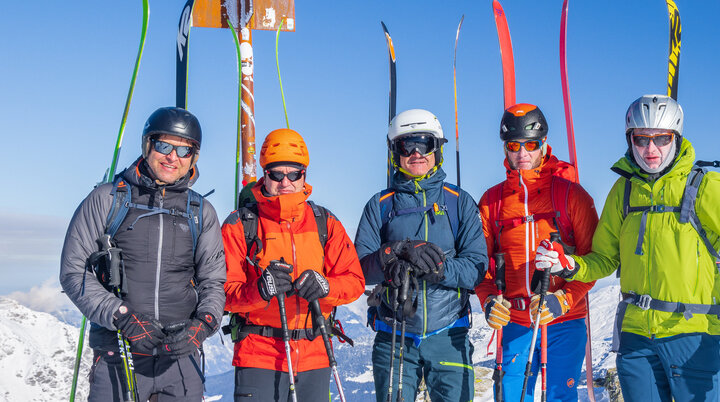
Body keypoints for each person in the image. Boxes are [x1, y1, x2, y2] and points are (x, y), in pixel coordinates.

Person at [535, 94, 720, 401]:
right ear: (630, 139)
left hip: (692, 332)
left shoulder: (704, 186)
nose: (651, 149)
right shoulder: (623, 191)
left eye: (661, 138)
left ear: (676, 137)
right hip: (635, 337)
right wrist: (568, 264)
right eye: (641, 139)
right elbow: (604, 259)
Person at [60, 106, 226, 401]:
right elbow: (74, 271)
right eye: (163, 146)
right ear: (147, 145)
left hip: (180, 359)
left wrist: (203, 325)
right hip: (118, 353)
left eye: (184, 150)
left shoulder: (201, 212)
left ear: (194, 158)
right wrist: (122, 316)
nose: (172, 157)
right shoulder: (107, 199)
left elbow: (213, 280)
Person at [222, 128, 365, 401]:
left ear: (304, 176)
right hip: (259, 355)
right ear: (265, 174)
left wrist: (326, 286)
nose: (285, 182)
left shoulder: (326, 222)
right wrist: (260, 290)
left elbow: (354, 281)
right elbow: (224, 293)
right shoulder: (240, 224)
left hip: (316, 352)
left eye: (294, 173)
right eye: (276, 174)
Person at [355, 109, 487, 402]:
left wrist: (441, 269)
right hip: (394, 337)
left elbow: (477, 267)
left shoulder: (458, 202)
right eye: (406, 145)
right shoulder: (379, 205)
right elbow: (359, 271)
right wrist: (392, 256)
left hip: (450, 335)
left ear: (438, 149)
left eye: (425, 143)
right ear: (395, 152)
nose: (416, 153)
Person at [476, 103, 598, 401]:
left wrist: (564, 300)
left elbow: (596, 262)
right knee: (511, 396)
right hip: (515, 322)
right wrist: (489, 300)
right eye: (514, 145)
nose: (522, 154)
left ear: (544, 144)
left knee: (559, 397)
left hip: (564, 320)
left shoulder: (572, 196)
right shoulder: (492, 202)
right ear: (505, 148)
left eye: (531, 144)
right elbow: (479, 265)